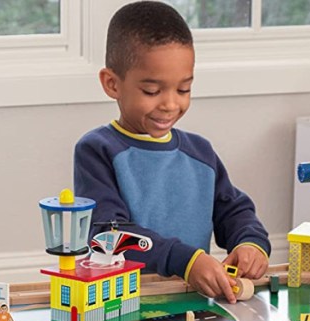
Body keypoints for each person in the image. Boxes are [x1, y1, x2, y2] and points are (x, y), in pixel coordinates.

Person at [74, 1, 270, 304]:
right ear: (112, 83)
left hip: (192, 300)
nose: (169, 104)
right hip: (120, 303)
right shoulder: (97, 150)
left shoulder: (200, 151)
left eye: (183, 89)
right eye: (152, 91)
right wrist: (185, 260)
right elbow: (108, 236)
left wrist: (250, 243)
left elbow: (233, 210)